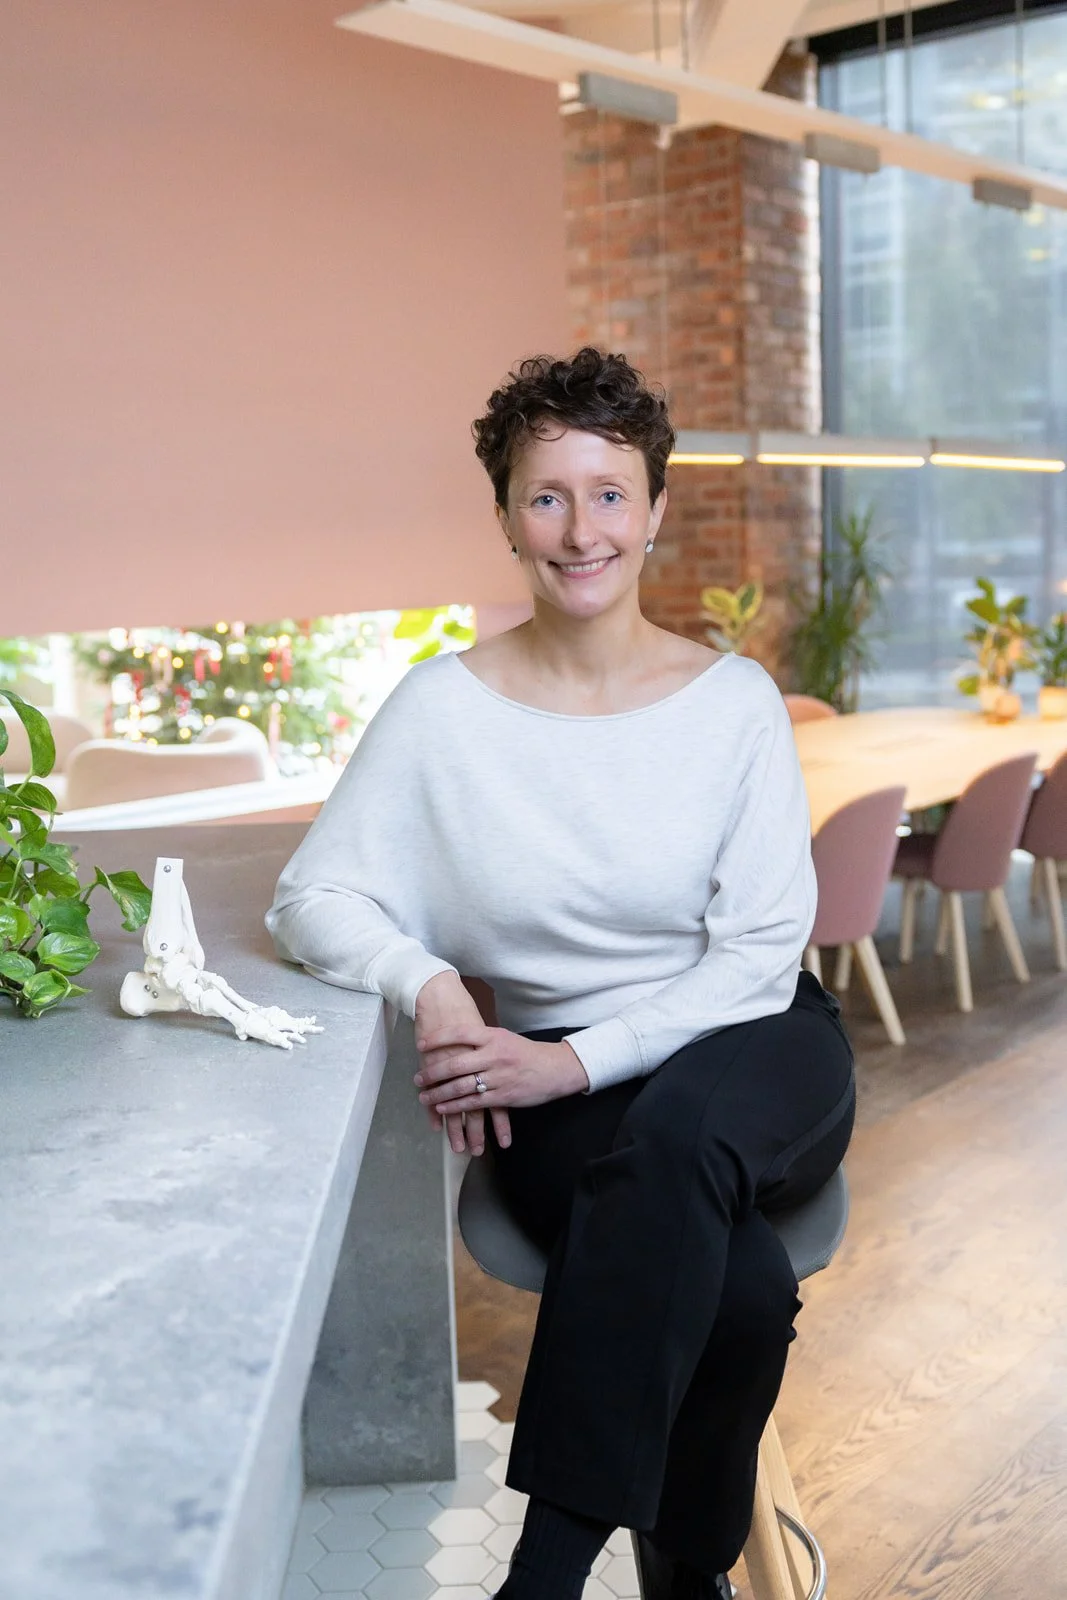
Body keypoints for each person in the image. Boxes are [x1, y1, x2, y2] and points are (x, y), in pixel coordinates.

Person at [266, 347, 855, 1600]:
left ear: (652, 510)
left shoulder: (732, 702)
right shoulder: (439, 712)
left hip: (750, 1038)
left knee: (688, 1132)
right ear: (503, 518)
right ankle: (684, 1573)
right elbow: (311, 894)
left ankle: (542, 1573)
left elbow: (756, 956)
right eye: (546, 495)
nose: (579, 527)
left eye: (607, 492)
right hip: (559, 1091)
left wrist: (568, 1059)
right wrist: (431, 986)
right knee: (739, 1292)